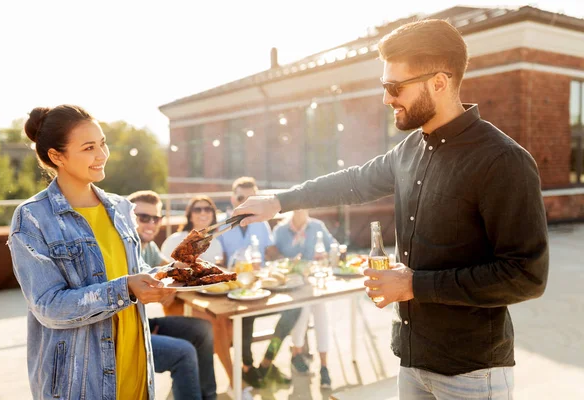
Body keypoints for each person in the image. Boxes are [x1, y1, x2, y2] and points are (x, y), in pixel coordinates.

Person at [232, 19, 549, 400]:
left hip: (472, 375)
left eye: (394, 87)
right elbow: (353, 181)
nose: (386, 98)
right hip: (412, 363)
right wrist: (279, 201)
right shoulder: (409, 150)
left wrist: (414, 285)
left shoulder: (503, 161)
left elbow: (526, 275)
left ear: (439, 82)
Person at [7, 105, 179, 400]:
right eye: (89, 148)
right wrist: (125, 289)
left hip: (135, 362)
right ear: (56, 156)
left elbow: (129, 274)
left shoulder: (121, 207)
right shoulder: (33, 219)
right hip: (81, 382)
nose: (102, 155)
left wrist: (173, 273)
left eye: (102, 143)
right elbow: (49, 306)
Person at [128, 190, 217, 400]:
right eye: (143, 218)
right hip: (121, 334)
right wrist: (161, 288)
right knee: (184, 352)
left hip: (143, 323)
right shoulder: (120, 248)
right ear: (126, 217)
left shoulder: (148, 246)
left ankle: (209, 397)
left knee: (203, 329)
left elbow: (169, 270)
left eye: (156, 218)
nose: (151, 223)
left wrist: (172, 284)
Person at [218, 176, 300, 388]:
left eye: (250, 198)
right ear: (232, 198)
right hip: (236, 288)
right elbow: (217, 262)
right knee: (247, 314)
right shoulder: (220, 224)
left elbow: (270, 252)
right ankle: (247, 366)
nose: (245, 203)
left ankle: (267, 361)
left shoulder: (261, 224)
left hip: (261, 284)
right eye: (240, 198)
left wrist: (290, 261)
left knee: (295, 308)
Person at [272, 209, 335, 389]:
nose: (302, 210)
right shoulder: (281, 230)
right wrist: (287, 262)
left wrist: (330, 255)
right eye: (298, 206)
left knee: (321, 313)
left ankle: (324, 366)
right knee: (302, 312)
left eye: (306, 206)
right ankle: (297, 353)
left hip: (315, 282)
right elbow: (272, 256)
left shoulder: (317, 226)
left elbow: (333, 247)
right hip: (292, 285)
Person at [161, 194, 224, 264]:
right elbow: (163, 268)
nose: (203, 213)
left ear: (213, 215)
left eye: (207, 209)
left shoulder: (216, 244)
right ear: (190, 216)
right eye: (197, 210)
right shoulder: (173, 240)